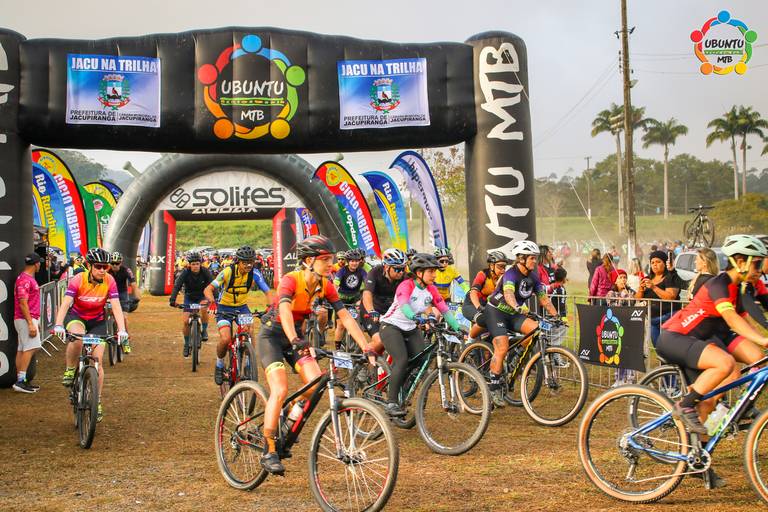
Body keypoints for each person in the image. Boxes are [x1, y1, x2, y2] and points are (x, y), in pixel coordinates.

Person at [257, 235, 374, 474]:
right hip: (273, 337)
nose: (331, 264)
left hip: (296, 339)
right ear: (309, 260)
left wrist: (366, 346)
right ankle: (269, 449)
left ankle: (287, 416)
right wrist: (295, 339)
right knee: (280, 390)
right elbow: (285, 311)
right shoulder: (291, 280)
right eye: (325, 259)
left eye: (331, 259)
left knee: (315, 384)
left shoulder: (326, 284)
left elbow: (345, 316)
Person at [656, 235, 768, 486]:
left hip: (712, 337)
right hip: (678, 336)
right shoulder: (719, 284)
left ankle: (699, 459)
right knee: (726, 364)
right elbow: (733, 320)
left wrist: (761, 343)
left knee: (755, 360)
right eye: (757, 264)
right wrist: (763, 338)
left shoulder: (747, 286)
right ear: (740, 261)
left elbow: (755, 314)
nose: (760, 270)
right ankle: (684, 405)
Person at [380, 253, 460, 416]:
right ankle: (391, 402)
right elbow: (404, 305)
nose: (434, 275)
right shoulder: (406, 285)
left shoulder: (431, 289)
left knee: (422, 359)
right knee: (402, 360)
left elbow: (444, 310)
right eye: (431, 271)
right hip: (391, 326)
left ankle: (402, 387)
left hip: (410, 328)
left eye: (435, 271)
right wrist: (414, 316)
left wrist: (458, 328)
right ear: (419, 272)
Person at [54, 248, 128, 422]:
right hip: (77, 317)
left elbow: (116, 306)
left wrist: (122, 329)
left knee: (98, 361)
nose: (102, 270)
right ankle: (70, 369)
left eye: (105, 267)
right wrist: (58, 324)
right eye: (98, 266)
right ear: (89, 266)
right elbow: (65, 304)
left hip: (97, 321)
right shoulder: (78, 280)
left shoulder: (109, 280)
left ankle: (97, 400)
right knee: (77, 340)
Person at [485, 240, 561, 407]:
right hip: (496, 312)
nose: (535, 261)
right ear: (521, 259)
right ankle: (494, 387)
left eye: (535, 258)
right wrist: (517, 307)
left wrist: (557, 316)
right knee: (502, 347)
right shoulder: (511, 274)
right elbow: (509, 294)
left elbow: (544, 299)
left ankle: (515, 356)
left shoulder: (533, 277)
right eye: (532, 258)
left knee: (535, 329)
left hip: (514, 313)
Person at [204, 245, 273, 385]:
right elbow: (208, 289)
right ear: (238, 261)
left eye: (251, 262)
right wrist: (212, 302)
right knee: (225, 339)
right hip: (224, 308)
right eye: (245, 262)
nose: (248, 265)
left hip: (242, 308)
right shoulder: (227, 272)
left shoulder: (255, 273)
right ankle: (219, 365)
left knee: (250, 330)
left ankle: (248, 363)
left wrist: (271, 307)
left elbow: (268, 292)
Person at [361, 248, 407, 354]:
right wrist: (371, 311)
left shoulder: (404, 277)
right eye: (397, 269)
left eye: (403, 268)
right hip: (372, 310)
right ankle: (364, 361)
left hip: (389, 313)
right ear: (386, 267)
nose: (401, 272)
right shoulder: (375, 272)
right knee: (380, 341)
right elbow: (367, 293)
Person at [169, 252, 214, 356]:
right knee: (185, 321)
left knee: (204, 309)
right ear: (189, 265)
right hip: (189, 297)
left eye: (197, 264)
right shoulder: (185, 272)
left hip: (202, 296)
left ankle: (204, 330)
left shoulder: (205, 271)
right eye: (193, 264)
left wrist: (214, 299)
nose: (195, 266)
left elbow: (213, 285)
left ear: (200, 264)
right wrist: (172, 299)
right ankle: (186, 344)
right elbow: (177, 286)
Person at [636, 250, 680, 347]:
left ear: (665, 263)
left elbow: (671, 296)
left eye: (658, 262)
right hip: (653, 319)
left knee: (669, 346)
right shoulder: (647, 278)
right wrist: (641, 289)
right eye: (652, 262)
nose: (655, 265)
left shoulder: (671, 276)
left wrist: (653, 287)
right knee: (658, 347)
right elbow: (637, 299)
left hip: (668, 317)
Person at [462, 250, 507, 343]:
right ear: (491, 266)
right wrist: (479, 307)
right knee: (484, 320)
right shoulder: (483, 274)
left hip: (486, 306)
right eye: (500, 266)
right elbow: (473, 293)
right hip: (472, 304)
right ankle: (469, 343)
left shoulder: (503, 279)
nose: (503, 270)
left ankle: (486, 347)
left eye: (504, 267)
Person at [12, 253, 42, 393]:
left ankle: (21, 380)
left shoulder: (24, 278)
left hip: (25, 318)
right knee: (31, 348)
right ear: (36, 264)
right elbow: (23, 303)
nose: (40, 265)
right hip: (25, 319)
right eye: (39, 263)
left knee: (23, 348)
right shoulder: (25, 280)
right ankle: (20, 381)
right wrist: (30, 322)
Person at [605, 269, 638, 385]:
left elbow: (633, 303)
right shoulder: (611, 293)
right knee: (618, 352)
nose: (623, 279)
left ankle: (630, 379)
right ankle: (619, 379)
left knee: (629, 352)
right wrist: (623, 297)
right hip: (617, 326)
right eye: (620, 277)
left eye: (625, 277)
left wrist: (629, 296)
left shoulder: (631, 292)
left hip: (629, 325)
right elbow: (613, 307)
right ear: (615, 280)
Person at [332, 248, 367, 348]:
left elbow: (368, 284)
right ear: (348, 261)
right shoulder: (342, 271)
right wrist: (334, 298)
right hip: (341, 298)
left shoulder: (362, 271)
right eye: (352, 261)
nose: (354, 263)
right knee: (341, 325)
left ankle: (357, 344)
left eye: (356, 261)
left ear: (359, 261)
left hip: (355, 298)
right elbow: (335, 285)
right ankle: (338, 347)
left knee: (356, 318)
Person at [108, 252, 138, 352]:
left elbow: (133, 284)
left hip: (122, 294)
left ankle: (125, 342)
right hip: (109, 293)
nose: (114, 265)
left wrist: (136, 297)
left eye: (117, 263)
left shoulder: (126, 270)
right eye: (112, 263)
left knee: (124, 317)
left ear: (121, 263)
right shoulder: (106, 270)